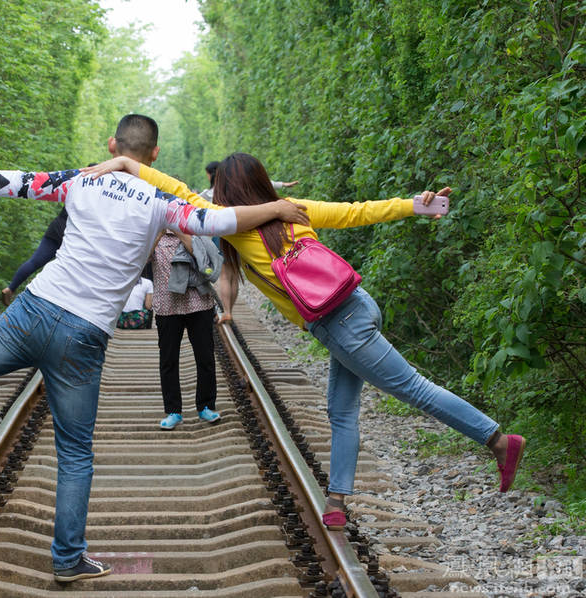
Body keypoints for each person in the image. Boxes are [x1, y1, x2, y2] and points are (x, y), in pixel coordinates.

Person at [0, 115, 311, 581]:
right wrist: (277, 208)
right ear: (153, 154)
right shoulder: (161, 203)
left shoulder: (82, 180)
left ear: (113, 147)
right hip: (84, 335)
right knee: (74, 452)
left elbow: (11, 181)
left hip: (31, 312)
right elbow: (220, 221)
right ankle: (68, 559)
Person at [83, 152, 526, 532]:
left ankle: (496, 440)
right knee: (341, 409)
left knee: (410, 387)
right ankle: (337, 502)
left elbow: (174, 188)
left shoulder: (231, 225)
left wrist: (124, 163)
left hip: (338, 323)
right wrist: (415, 205)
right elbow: (356, 211)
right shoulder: (293, 208)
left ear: (226, 194)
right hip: (356, 302)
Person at [152, 229, 222, 429]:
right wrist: (158, 231)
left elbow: (202, 257)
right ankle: (173, 411)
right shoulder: (153, 234)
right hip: (167, 306)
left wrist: (179, 230)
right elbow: (143, 258)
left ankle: (206, 406)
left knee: (205, 357)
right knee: (168, 360)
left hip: (199, 303)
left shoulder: (194, 233)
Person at [0, 206, 67, 306]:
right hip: (71, 232)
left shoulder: (76, 190)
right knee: (67, 269)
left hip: (56, 227)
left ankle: (11, 288)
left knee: (34, 262)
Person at [200, 160, 298, 201]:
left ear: (210, 175)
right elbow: (258, 184)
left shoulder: (207, 195)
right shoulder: (236, 184)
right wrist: (283, 184)